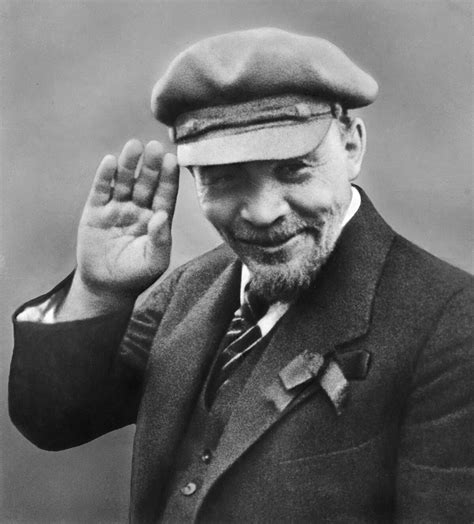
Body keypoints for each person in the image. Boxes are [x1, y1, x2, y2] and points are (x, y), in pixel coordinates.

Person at [9, 28, 473, 523]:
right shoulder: (190, 290)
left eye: (293, 169)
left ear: (352, 145)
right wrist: (99, 291)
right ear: (194, 178)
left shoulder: (452, 324)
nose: (263, 213)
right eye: (226, 178)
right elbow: (54, 421)